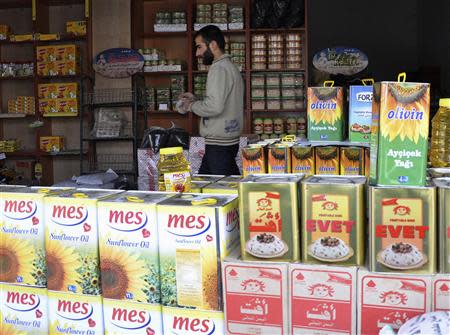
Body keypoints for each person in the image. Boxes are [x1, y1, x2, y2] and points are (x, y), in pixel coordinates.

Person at [176, 25, 244, 175]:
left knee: (219, 190)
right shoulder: (230, 67)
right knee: (212, 183)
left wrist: (190, 106)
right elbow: (222, 101)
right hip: (226, 141)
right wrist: (197, 99)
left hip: (219, 144)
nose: (197, 53)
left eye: (199, 47)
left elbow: (214, 107)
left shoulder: (218, 69)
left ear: (213, 45)